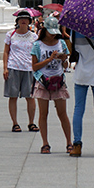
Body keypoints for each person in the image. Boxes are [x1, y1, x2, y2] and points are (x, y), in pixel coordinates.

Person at [31, 22, 71, 154]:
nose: (53, 35)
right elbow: (34, 66)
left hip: (58, 80)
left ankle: (69, 142)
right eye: (50, 32)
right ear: (45, 30)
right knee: (43, 113)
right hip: (43, 81)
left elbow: (66, 66)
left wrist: (64, 59)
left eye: (55, 32)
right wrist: (49, 59)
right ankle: (45, 143)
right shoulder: (37, 45)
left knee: (62, 113)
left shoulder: (61, 43)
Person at [3, 9, 39, 133]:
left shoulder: (34, 36)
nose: (23, 21)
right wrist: (5, 68)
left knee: (30, 97)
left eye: (26, 19)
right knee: (13, 96)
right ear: (17, 21)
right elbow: (6, 51)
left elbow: (37, 53)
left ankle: (31, 122)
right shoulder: (11, 35)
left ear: (29, 21)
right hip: (14, 67)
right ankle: (15, 123)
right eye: (21, 19)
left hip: (29, 68)